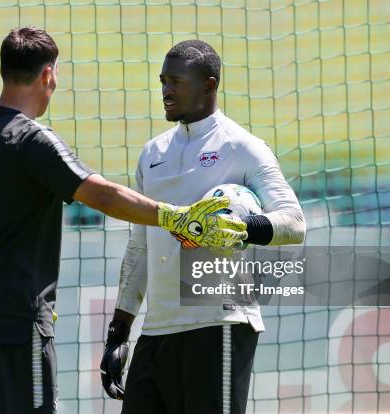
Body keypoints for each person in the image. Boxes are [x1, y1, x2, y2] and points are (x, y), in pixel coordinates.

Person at [0, 27, 248, 414]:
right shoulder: (33, 140)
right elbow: (102, 195)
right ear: (48, 75)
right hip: (16, 322)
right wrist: (178, 218)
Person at [100, 40, 306, 414]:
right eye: (163, 81)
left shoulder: (243, 147)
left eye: (176, 81)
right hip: (157, 333)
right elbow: (140, 247)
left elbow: (294, 222)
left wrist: (243, 226)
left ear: (209, 85)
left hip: (220, 325)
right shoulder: (152, 154)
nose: (165, 91)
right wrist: (119, 330)